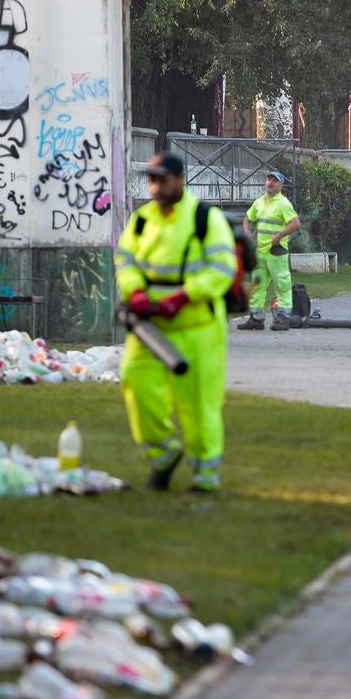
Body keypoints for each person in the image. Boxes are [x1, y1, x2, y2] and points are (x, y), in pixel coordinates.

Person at [115, 152, 238, 492]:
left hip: (197, 328)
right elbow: (125, 260)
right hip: (149, 327)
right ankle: (163, 453)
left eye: (163, 180)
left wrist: (184, 296)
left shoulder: (205, 218)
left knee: (198, 404)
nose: (156, 187)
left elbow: (222, 269)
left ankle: (205, 476)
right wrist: (135, 292)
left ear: (180, 179)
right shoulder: (142, 219)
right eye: (152, 180)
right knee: (136, 384)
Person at [238, 170, 300, 330]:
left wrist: (279, 236)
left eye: (274, 181)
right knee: (257, 284)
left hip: (276, 251)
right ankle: (256, 318)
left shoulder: (283, 203)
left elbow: (295, 223)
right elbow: (247, 219)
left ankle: (283, 319)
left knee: (282, 285)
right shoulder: (259, 202)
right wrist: (247, 235)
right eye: (268, 179)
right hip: (260, 252)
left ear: (281, 185)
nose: (270, 183)